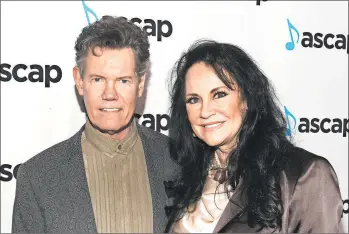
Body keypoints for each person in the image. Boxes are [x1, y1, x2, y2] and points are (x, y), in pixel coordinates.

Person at [12, 15, 178, 233]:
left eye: (123, 81)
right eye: (98, 79)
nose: (110, 94)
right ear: (80, 81)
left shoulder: (179, 161)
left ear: (140, 84)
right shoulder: (37, 177)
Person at [164, 40, 344, 233]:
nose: (205, 111)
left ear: (247, 100)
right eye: (193, 100)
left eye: (219, 94)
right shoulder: (186, 176)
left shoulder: (304, 175)